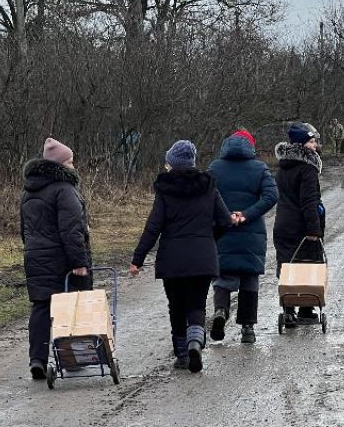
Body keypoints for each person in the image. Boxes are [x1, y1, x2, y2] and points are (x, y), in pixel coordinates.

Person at [130, 140, 243, 373]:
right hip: (202, 258)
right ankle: (195, 343)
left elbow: (153, 227)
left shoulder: (165, 191)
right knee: (196, 304)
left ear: (172, 164)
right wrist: (209, 239)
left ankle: (182, 354)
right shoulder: (208, 187)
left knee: (176, 307)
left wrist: (137, 259)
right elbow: (225, 221)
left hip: (172, 260)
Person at [20, 137, 92, 381]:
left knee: (41, 307)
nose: (73, 166)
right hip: (61, 259)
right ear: (59, 165)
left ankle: (37, 360)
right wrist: (79, 262)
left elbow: (24, 230)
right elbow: (72, 230)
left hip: (34, 256)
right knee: (71, 306)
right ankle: (71, 359)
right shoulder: (65, 190)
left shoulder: (28, 193)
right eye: (70, 162)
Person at [207, 129, 278, 344]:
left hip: (222, 230)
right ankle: (248, 329)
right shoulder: (259, 168)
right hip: (251, 233)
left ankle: (220, 310)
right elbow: (272, 195)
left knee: (222, 275)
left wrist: (223, 216)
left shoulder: (214, 168)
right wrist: (246, 214)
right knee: (249, 278)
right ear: (251, 147)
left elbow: (204, 195)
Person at [273, 122, 325, 327]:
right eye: (311, 142)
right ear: (302, 144)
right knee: (308, 264)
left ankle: (288, 310)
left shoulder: (283, 167)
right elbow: (309, 201)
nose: (315, 146)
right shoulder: (307, 169)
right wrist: (314, 229)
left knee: (287, 266)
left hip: (283, 224)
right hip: (301, 226)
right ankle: (306, 307)